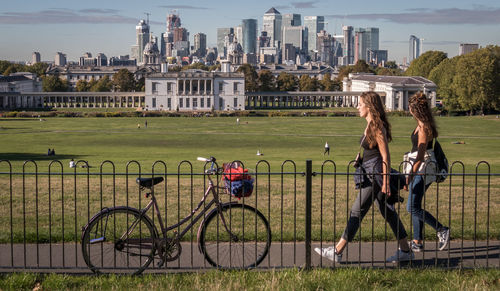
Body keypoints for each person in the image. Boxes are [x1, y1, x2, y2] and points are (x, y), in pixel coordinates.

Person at [315, 91, 413, 263]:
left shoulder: (377, 126)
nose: (358, 107)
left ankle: (337, 251)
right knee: (387, 212)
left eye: (360, 104)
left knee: (357, 211)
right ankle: (405, 250)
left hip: (375, 176)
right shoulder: (370, 125)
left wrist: (386, 182)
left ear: (369, 106)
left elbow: (385, 156)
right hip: (368, 171)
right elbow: (372, 151)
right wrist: (361, 159)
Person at [405, 92, 450, 252]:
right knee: (415, 205)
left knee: (411, 207)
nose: (408, 108)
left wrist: (410, 175)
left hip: (422, 170)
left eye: (410, 106)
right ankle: (417, 241)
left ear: (414, 109)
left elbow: (420, 154)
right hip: (419, 168)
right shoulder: (422, 125)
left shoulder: (424, 128)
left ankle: (441, 229)